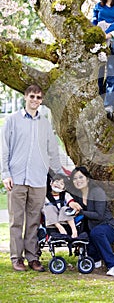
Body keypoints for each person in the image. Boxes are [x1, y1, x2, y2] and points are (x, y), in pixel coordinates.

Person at [1, 84, 63, 272]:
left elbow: (52, 151)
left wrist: (58, 174)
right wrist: (5, 174)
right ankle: (16, 258)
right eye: (32, 96)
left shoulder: (45, 123)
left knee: (34, 220)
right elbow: (4, 149)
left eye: (38, 97)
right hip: (17, 178)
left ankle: (32, 257)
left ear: (41, 100)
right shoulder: (12, 120)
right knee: (16, 221)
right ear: (25, 97)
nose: (35, 100)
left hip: (38, 179)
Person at [67, 166, 114, 277]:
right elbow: (63, 194)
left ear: (87, 179)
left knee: (97, 232)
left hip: (107, 227)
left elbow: (99, 215)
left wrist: (81, 212)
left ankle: (113, 265)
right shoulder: (76, 195)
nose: (78, 180)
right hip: (91, 229)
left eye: (81, 177)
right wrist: (70, 203)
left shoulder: (97, 192)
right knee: (86, 234)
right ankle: (94, 259)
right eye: (75, 178)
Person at [43, 173, 78, 238]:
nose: (58, 184)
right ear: (51, 183)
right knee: (49, 208)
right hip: (53, 223)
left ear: (64, 188)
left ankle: (74, 230)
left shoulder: (65, 195)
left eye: (61, 184)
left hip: (65, 221)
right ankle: (59, 227)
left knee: (65, 208)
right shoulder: (45, 196)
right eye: (56, 181)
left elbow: (71, 202)